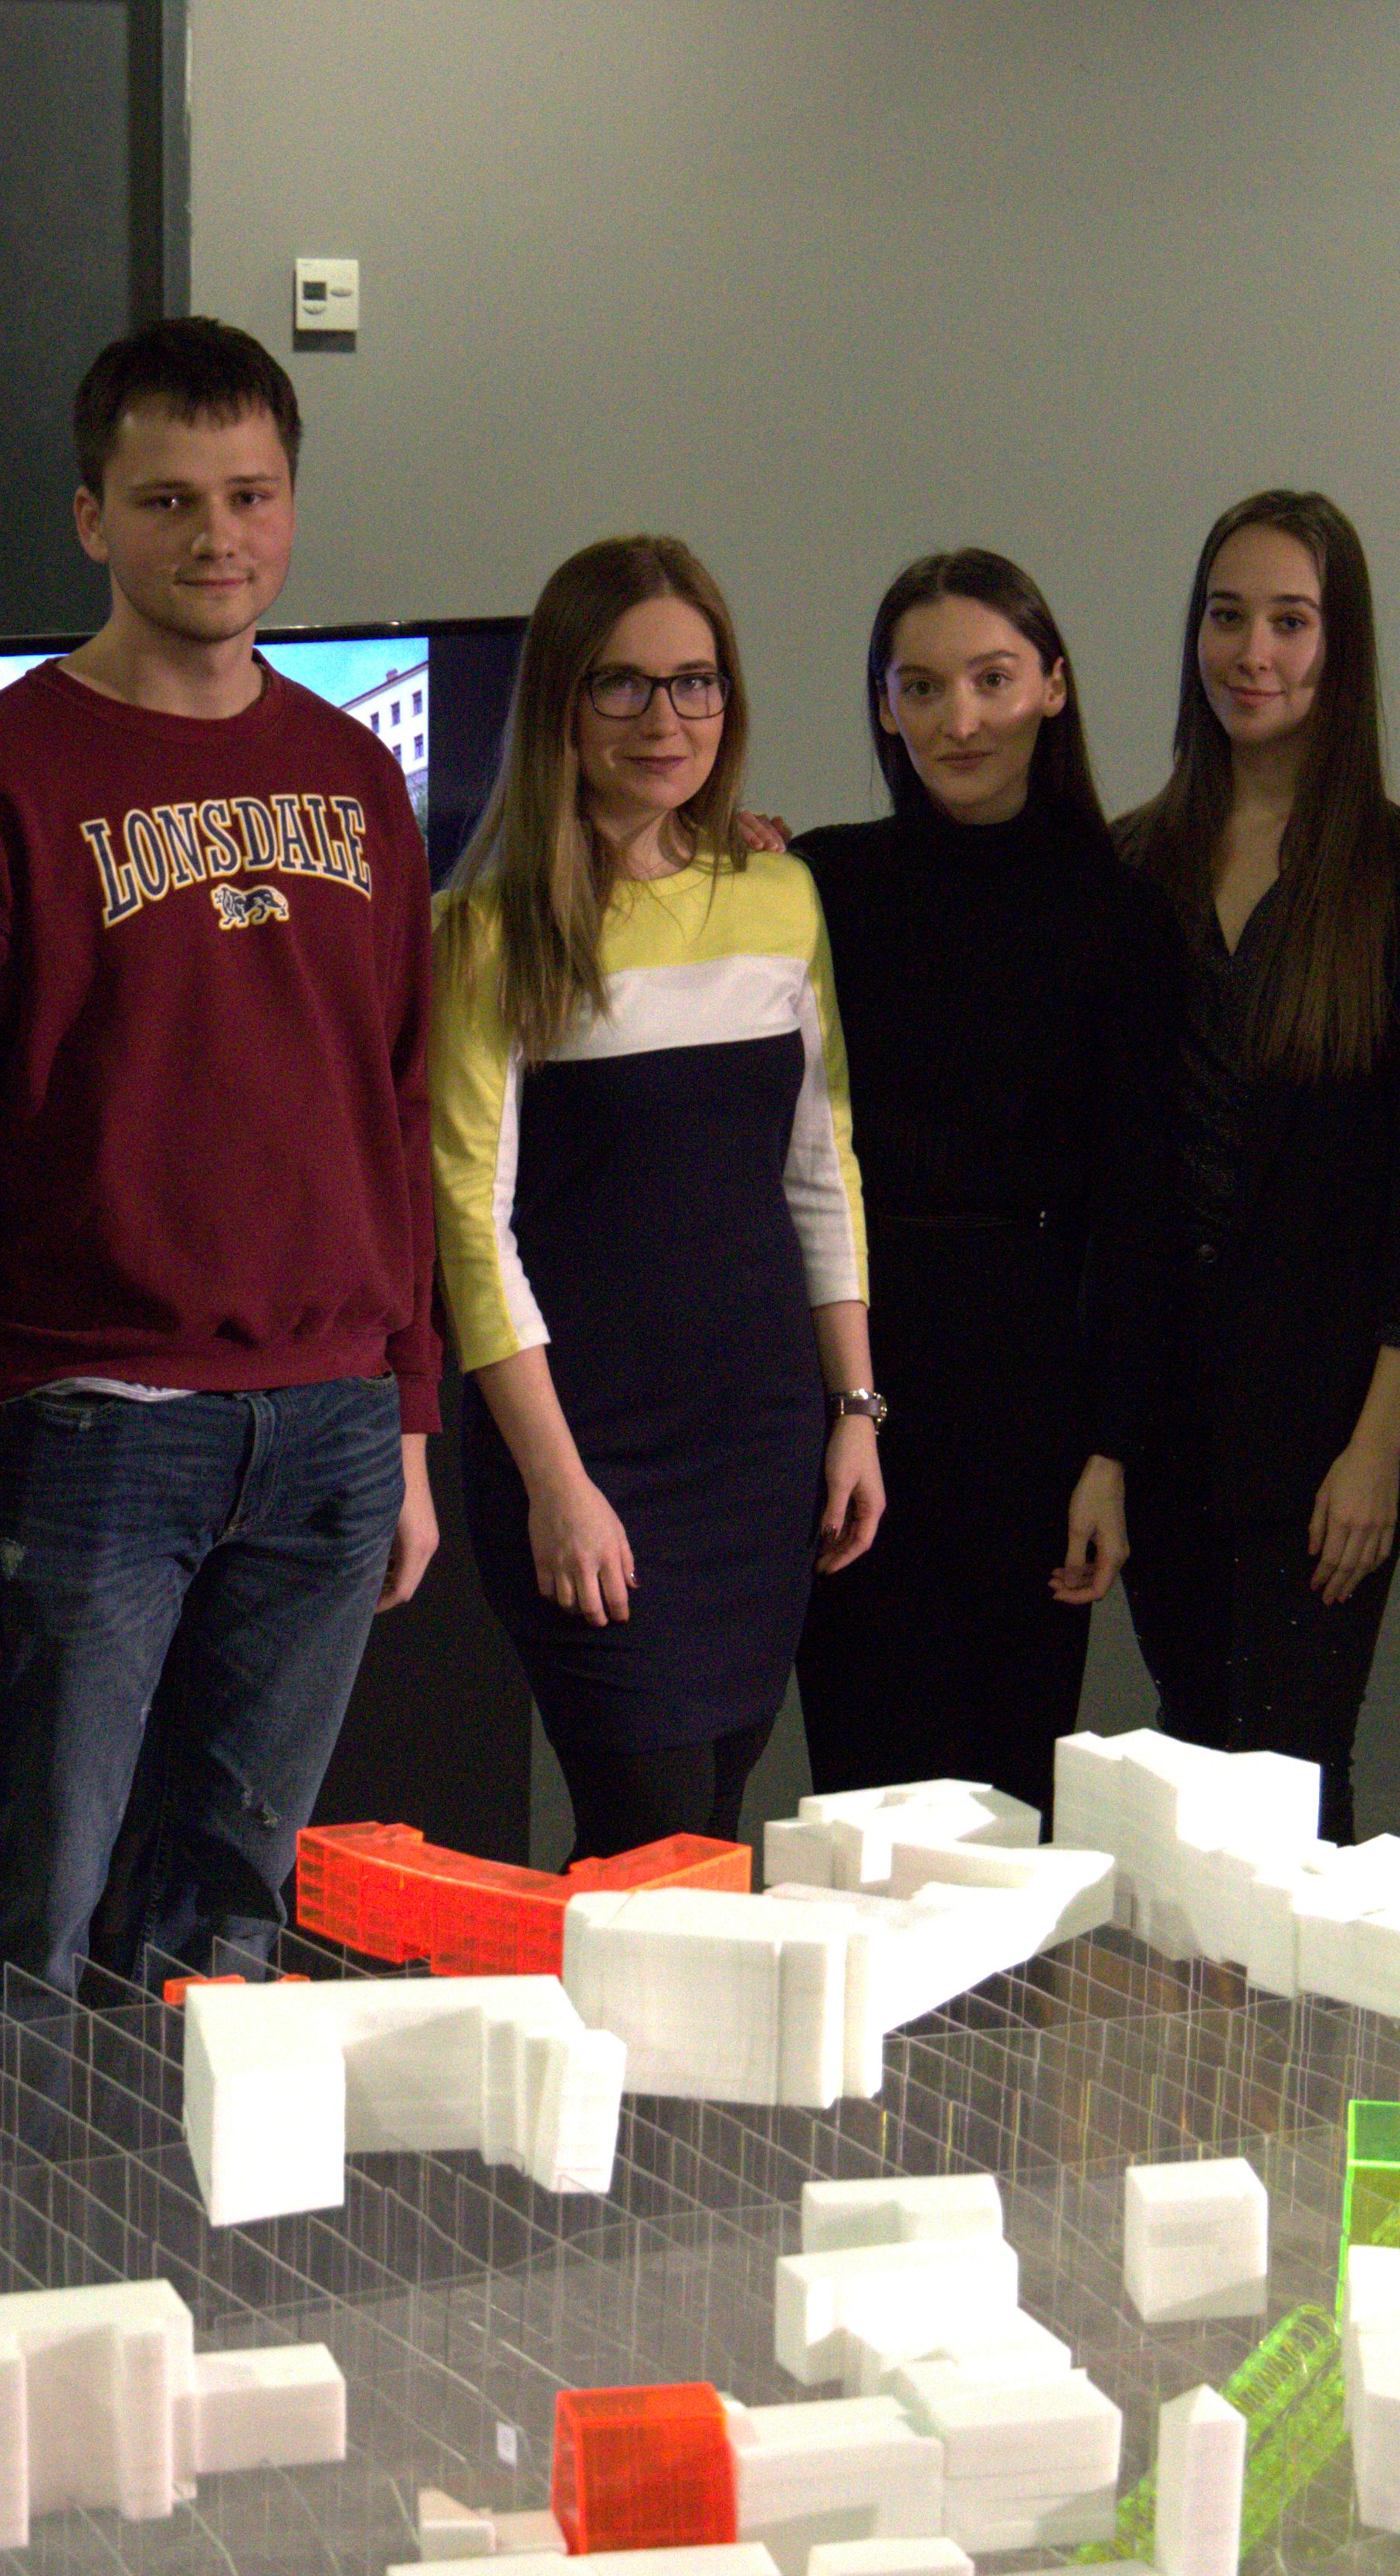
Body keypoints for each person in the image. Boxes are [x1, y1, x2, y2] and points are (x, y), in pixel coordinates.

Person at [0, 318, 435, 1997]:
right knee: (35, 1918)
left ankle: (195, 2187)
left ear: (291, 504)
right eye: (170, 499)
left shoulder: (355, 777)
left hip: (332, 1426)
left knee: (231, 1927)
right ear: (91, 517)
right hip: (94, 1426)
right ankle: (14, 2184)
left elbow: (400, 1106)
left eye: (250, 495)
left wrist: (409, 1415)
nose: (217, 537)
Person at [431, 536, 879, 1858]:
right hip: (589, 1453)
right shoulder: (487, 934)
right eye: (622, 685)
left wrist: (854, 1411)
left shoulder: (780, 898)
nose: (664, 719)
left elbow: (822, 1172)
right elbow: (470, 1228)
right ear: (562, 707)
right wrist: (556, 1482)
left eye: (696, 683)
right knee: (649, 1837)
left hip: (760, 1444)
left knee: (714, 1833)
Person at [1104, 490, 1400, 1847]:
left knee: (1294, 1779)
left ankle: (1303, 2001)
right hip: (1165, 1422)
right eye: (1227, 617)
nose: (1252, 653)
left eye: (1289, 621)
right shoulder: (1130, 867)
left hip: (1333, 1424)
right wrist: (1106, 1440)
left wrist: (1377, 1445)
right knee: (1191, 1760)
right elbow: (1114, 1177)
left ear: (1342, 646)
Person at [792, 550, 1174, 1822]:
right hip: (854, 1373)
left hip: (1032, 1394)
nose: (961, 719)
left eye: (993, 680)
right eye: (923, 686)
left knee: (1008, 1795)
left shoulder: (1120, 909)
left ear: (1053, 687)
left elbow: (1138, 1203)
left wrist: (1110, 1452)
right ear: (885, 705)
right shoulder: (820, 885)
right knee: (859, 1791)